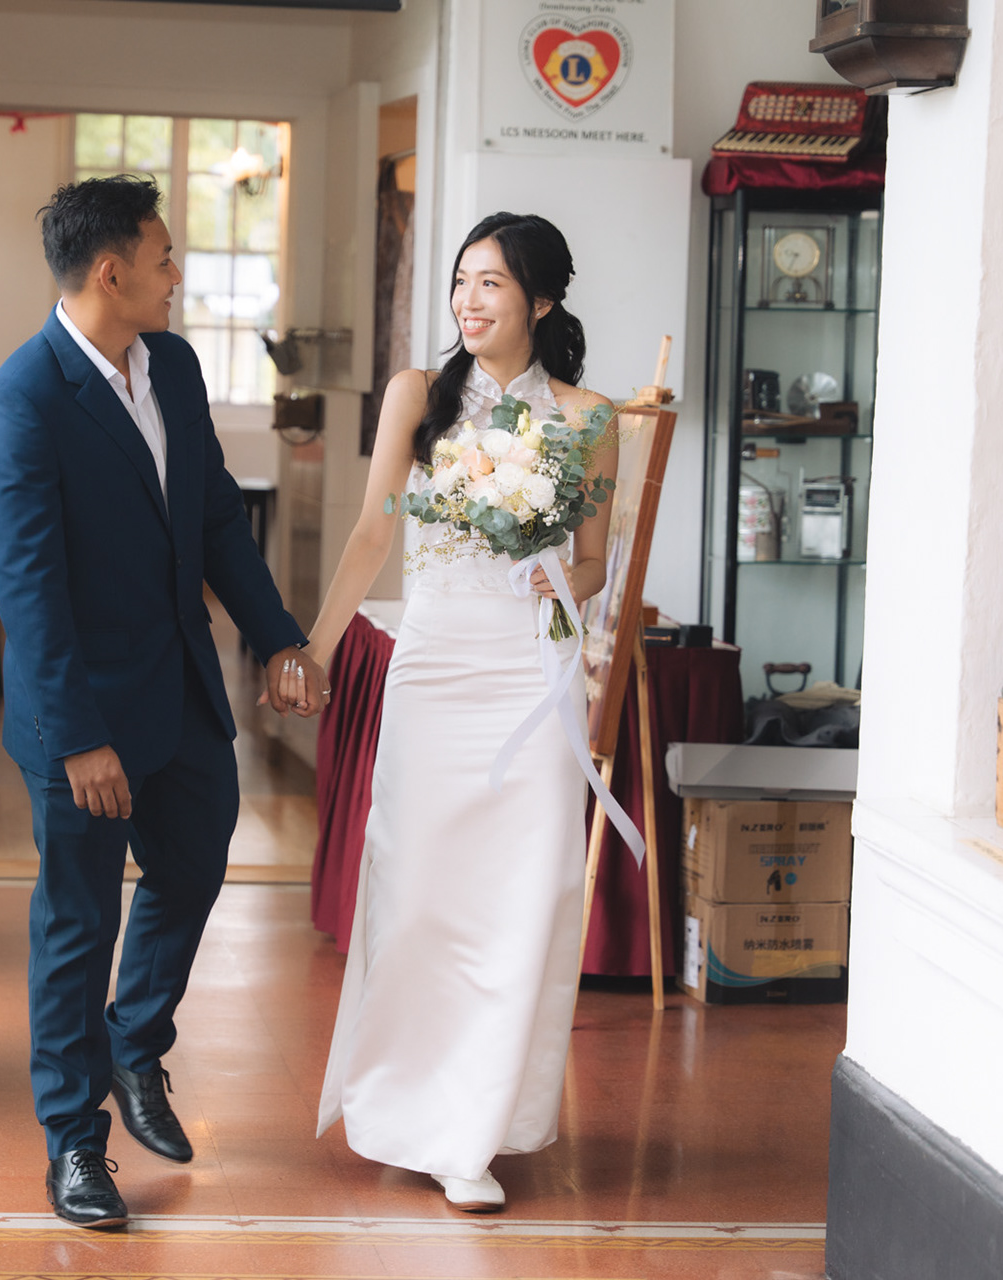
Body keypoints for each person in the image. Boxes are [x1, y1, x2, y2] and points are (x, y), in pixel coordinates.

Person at [0, 176, 329, 1231]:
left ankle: (136, 1043)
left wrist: (278, 635)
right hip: (79, 714)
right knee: (78, 923)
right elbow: (28, 593)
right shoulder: (21, 402)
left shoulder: (170, 363)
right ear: (111, 271)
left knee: (196, 859)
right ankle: (75, 1145)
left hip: (180, 689)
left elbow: (215, 518)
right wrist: (79, 737)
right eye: (166, 258)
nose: (179, 275)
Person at [308, 212, 617, 1213]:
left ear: (542, 300)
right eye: (461, 281)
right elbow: (372, 533)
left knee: (523, 897)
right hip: (436, 668)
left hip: (532, 673)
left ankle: (476, 1131)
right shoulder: (416, 394)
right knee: (420, 893)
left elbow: (595, 562)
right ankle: (407, 1109)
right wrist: (315, 648)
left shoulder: (588, 415)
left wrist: (552, 576)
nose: (468, 301)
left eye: (491, 283)